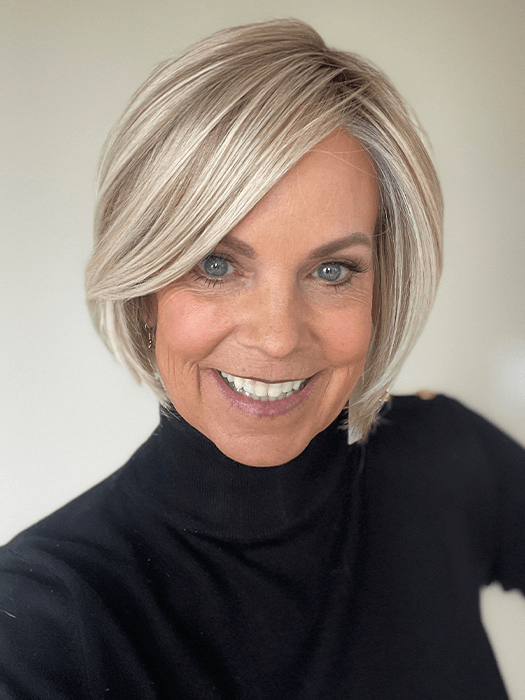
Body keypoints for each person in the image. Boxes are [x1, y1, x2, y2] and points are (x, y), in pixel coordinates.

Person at [0, 18, 523, 700]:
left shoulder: (444, 460)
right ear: (145, 289)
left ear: (382, 287)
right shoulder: (38, 621)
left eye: (332, 271)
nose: (277, 338)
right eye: (216, 264)